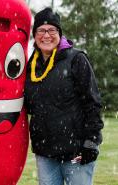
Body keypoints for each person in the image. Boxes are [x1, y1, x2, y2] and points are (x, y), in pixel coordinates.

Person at [24, 7, 104, 185]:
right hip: (45, 153)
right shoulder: (31, 66)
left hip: (76, 151)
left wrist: (91, 142)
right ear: (34, 35)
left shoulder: (76, 59)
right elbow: (28, 104)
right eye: (41, 30)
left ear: (59, 33)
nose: (46, 35)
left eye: (52, 30)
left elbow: (93, 103)